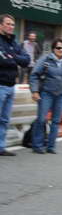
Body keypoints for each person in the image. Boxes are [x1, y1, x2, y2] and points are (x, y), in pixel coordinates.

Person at [29, 39, 62, 154]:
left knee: (56, 121)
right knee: (41, 119)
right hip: (46, 93)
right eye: (58, 48)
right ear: (53, 49)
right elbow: (34, 75)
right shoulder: (45, 60)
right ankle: (37, 145)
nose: (61, 50)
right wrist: (34, 91)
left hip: (61, 96)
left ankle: (51, 146)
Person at [0, 14, 30, 156]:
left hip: (11, 86)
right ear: (1, 25)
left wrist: (12, 56)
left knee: (5, 119)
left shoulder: (14, 42)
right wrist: (14, 59)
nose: (11, 26)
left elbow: (26, 60)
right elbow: (3, 60)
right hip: (0, 85)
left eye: (12, 24)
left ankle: (0, 147)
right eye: (8, 24)